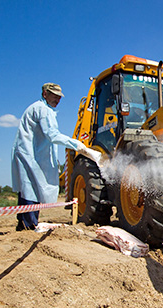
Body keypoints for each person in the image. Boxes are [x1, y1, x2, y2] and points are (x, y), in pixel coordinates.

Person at [11, 82, 99, 231]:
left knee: (29, 188)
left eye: (59, 97)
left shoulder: (38, 108)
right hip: (31, 155)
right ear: (45, 94)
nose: (58, 100)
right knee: (31, 189)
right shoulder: (43, 110)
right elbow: (52, 135)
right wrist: (77, 144)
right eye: (54, 96)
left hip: (31, 154)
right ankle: (29, 225)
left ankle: (24, 223)